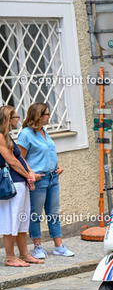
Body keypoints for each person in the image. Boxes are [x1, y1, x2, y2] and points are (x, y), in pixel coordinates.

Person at [16, 103, 74, 259]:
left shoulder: (44, 131)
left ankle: (59, 246)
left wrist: (58, 165)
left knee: (53, 213)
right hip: (39, 180)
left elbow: (48, 153)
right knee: (35, 214)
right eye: (47, 114)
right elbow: (20, 158)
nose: (49, 116)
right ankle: (37, 247)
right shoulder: (26, 134)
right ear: (38, 116)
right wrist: (30, 173)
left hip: (52, 177)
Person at [0, 105, 41, 267]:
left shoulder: (8, 136)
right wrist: (28, 176)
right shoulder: (0, 137)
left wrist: (29, 173)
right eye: (16, 117)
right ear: (8, 119)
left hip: (20, 182)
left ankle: (24, 254)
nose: (18, 120)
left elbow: (20, 158)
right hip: (11, 184)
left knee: (22, 219)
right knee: (12, 220)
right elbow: (11, 161)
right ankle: (10, 257)